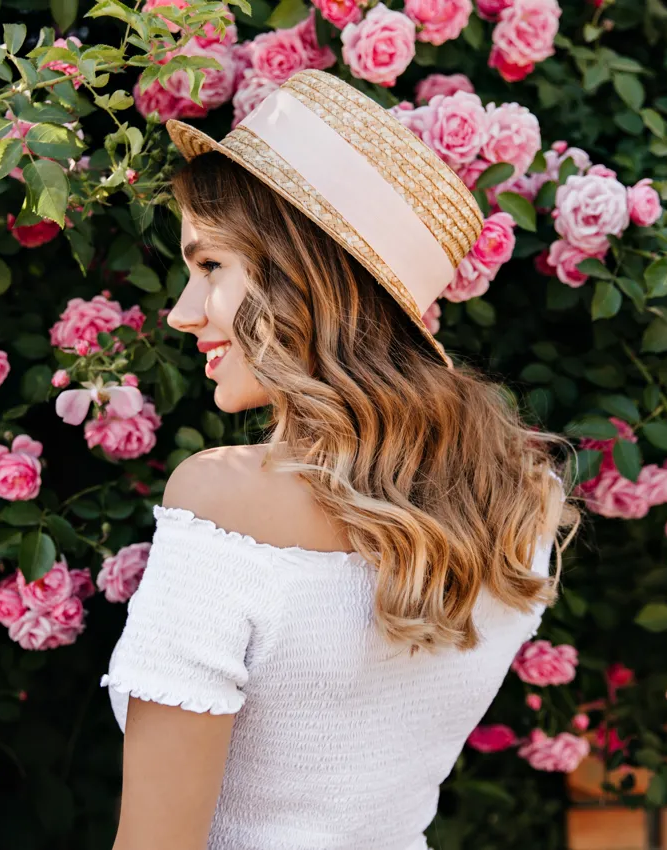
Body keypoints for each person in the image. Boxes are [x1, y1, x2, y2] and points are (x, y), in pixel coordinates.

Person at [102, 70, 575, 850]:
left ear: (302, 279)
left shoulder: (221, 503)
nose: (182, 313)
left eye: (211, 266)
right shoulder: (526, 498)